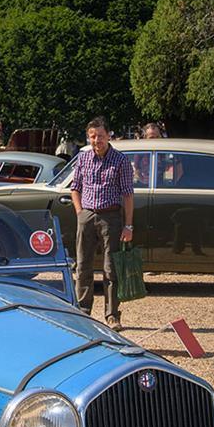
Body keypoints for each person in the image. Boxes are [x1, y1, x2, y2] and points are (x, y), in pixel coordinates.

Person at [70, 116, 135, 332]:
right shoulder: (83, 159)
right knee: (83, 266)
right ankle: (83, 311)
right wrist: (80, 213)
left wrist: (128, 225)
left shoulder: (120, 161)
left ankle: (112, 315)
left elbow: (127, 195)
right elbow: (75, 187)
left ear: (108, 136)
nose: (96, 140)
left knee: (111, 269)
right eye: (92, 136)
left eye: (100, 136)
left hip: (111, 218)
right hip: (87, 215)